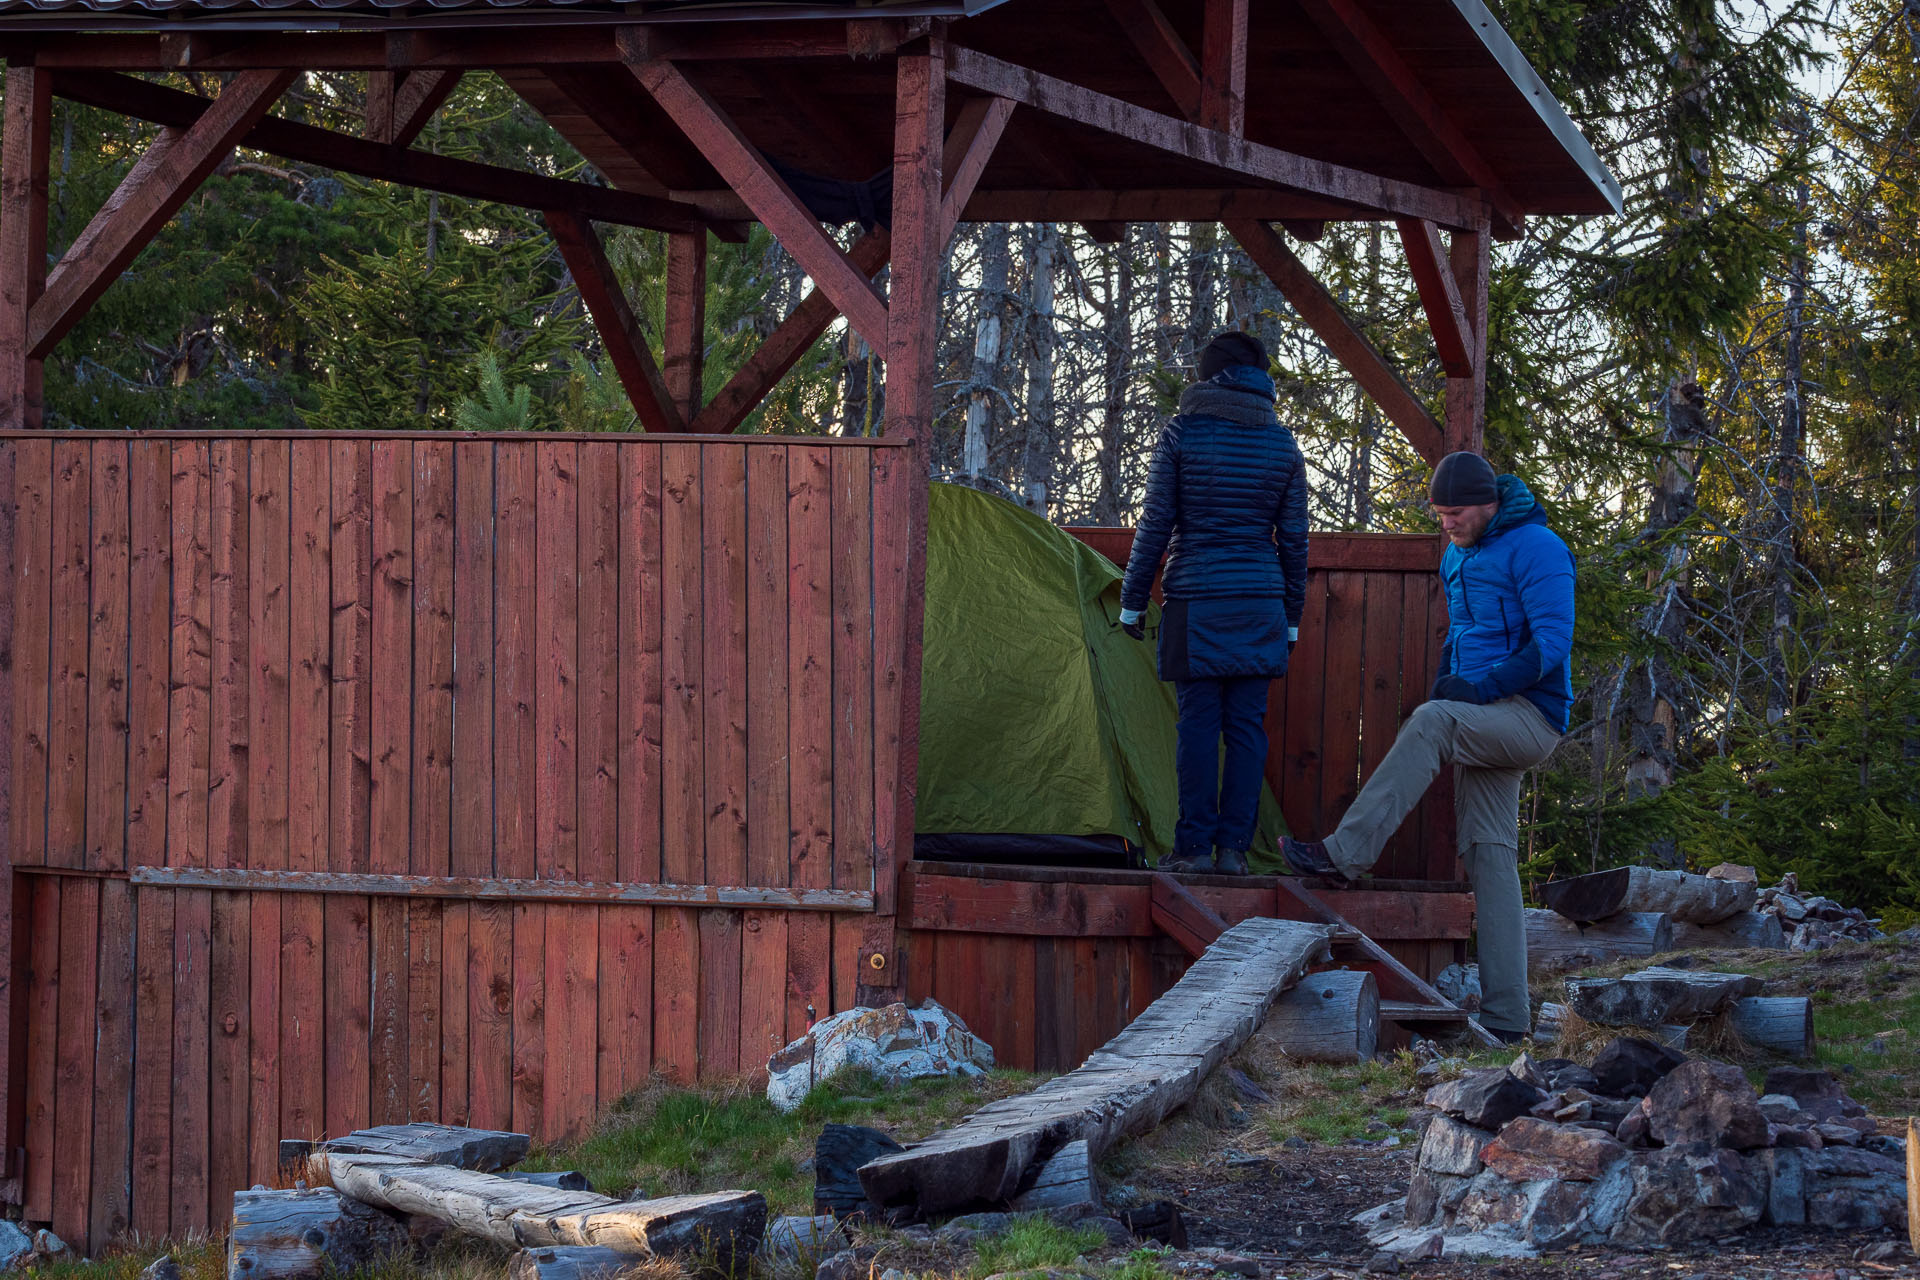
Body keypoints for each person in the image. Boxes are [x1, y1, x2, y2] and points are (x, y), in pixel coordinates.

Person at [1282, 451, 1573, 1043]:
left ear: (1490, 502)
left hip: (1530, 717)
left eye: (1456, 512)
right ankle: (1508, 1020)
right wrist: (1447, 678)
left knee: (1434, 722)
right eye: (1439, 513)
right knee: (1489, 857)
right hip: (1482, 711)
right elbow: (1462, 634)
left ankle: (1345, 855)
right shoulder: (1457, 554)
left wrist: (1471, 692)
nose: (1447, 523)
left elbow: (1551, 645)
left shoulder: (1539, 548)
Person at [1119, 331, 1308, 876]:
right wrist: (1291, 616)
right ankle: (1234, 853)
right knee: (1248, 727)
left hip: (1196, 600)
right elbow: (1294, 541)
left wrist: (1133, 601)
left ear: (1209, 375)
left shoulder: (1183, 432)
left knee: (1198, 726)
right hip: (1260, 601)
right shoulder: (1283, 444)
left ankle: (1193, 849)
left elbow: (1156, 523)